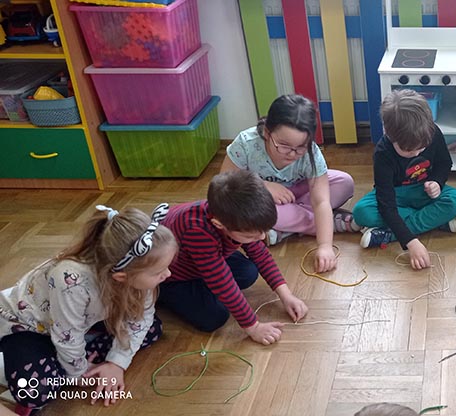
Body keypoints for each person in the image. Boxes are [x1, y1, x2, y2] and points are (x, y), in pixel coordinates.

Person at [0, 204, 175, 412]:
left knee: (152, 329)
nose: (168, 274)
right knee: (33, 391)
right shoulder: (70, 281)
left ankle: (66, 358)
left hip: (76, 324)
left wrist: (116, 364)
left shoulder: (133, 272)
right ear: (121, 277)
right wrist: (79, 372)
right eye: (158, 272)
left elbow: (141, 320)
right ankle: (54, 359)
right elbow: (66, 333)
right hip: (27, 326)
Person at [157, 170, 308, 345]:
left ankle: (205, 285)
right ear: (219, 224)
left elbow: (260, 255)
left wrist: (286, 295)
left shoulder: (234, 217)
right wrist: (253, 327)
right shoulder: (196, 230)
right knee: (214, 317)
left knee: (248, 272)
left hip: (201, 258)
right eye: (250, 236)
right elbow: (221, 281)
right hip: (171, 277)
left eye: (264, 231)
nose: (261, 237)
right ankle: (160, 294)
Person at [222, 94, 359, 268]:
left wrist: (325, 246)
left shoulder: (311, 152)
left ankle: (285, 230)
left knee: (344, 182)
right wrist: (262, 186)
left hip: (298, 193)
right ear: (267, 133)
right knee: (248, 210)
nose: (292, 154)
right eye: (284, 145)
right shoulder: (246, 143)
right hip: (263, 200)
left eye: (301, 147)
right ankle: (329, 223)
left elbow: (321, 201)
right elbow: (224, 184)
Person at [352, 89, 456, 270]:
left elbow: (444, 163)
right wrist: (411, 242)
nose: (416, 153)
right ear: (388, 134)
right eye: (408, 150)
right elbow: (386, 203)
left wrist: (437, 182)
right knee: (361, 212)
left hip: (423, 193)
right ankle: (434, 220)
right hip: (395, 197)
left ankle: (389, 234)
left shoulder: (432, 133)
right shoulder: (383, 153)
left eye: (422, 148)